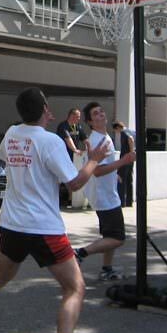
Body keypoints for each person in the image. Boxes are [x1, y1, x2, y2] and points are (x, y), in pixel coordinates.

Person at [0, 88, 108, 333]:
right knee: (75, 288)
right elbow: (74, 183)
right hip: (43, 227)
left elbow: (11, 158)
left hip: (12, 223)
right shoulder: (51, 141)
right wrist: (94, 159)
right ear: (44, 109)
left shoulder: (11, 134)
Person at [75, 103, 136, 281]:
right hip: (104, 197)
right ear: (90, 122)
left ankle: (106, 269)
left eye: (101, 111)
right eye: (96, 113)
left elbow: (103, 166)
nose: (101, 114)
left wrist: (114, 175)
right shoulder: (97, 140)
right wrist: (123, 161)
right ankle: (79, 253)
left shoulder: (104, 136)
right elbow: (97, 171)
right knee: (118, 238)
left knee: (109, 236)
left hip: (107, 193)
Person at [56, 108, 88, 208]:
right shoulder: (63, 126)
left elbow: (85, 139)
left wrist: (89, 149)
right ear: (71, 115)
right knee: (59, 179)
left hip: (73, 157)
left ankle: (70, 200)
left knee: (71, 178)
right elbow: (68, 139)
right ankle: (55, 200)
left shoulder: (77, 126)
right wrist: (75, 150)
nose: (79, 119)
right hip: (62, 156)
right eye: (77, 116)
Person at [112, 121, 135, 207]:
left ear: (118, 127)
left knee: (121, 178)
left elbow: (131, 139)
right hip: (130, 160)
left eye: (115, 130)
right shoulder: (131, 131)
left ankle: (122, 201)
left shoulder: (124, 132)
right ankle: (129, 201)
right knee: (129, 180)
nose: (116, 132)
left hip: (125, 159)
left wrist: (131, 152)